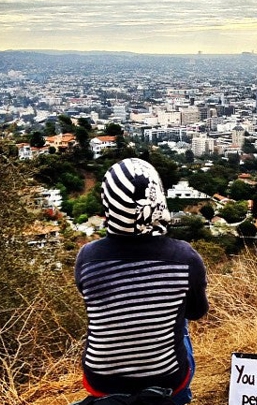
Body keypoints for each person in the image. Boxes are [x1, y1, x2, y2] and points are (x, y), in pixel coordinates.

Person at [74, 158, 209, 405]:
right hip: (167, 377)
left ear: (108, 202)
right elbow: (197, 311)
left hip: (101, 380)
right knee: (181, 322)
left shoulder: (87, 257)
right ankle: (178, 399)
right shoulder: (184, 256)